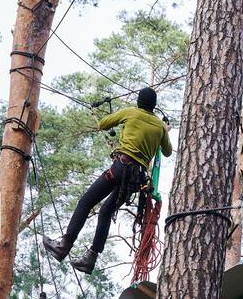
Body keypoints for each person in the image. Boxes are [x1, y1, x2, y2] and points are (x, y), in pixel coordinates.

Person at [42, 86, 173, 274]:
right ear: (154, 106)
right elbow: (167, 152)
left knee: (86, 202)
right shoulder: (160, 127)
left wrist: (123, 122)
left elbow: (103, 124)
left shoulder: (131, 112)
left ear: (138, 101)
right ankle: (90, 258)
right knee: (104, 213)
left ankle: (64, 245)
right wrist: (165, 130)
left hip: (120, 169)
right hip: (136, 180)